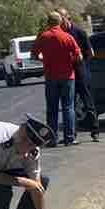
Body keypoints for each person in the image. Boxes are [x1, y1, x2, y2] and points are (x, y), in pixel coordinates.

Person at [33, 12, 82, 146]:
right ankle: (69, 138)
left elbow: (34, 55)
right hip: (67, 76)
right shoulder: (67, 37)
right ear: (60, 22)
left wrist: (44, 59)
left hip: (51, 76)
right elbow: (79, 57)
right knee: (68, 107)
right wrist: (70, 60)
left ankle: (52, 139)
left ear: (48, 22)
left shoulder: (43, 37)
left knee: (52, 108)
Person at [60, 9, 101, 143]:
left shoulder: (79, 32)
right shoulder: (61, 34)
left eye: (62, 18)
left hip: (81, 73)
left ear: (67, 18)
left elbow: (91, 52)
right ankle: (71, 134)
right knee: (70, 106)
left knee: (87, 102)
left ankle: (95, 131)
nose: (60, 21)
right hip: (67, 74)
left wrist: (83, 65)